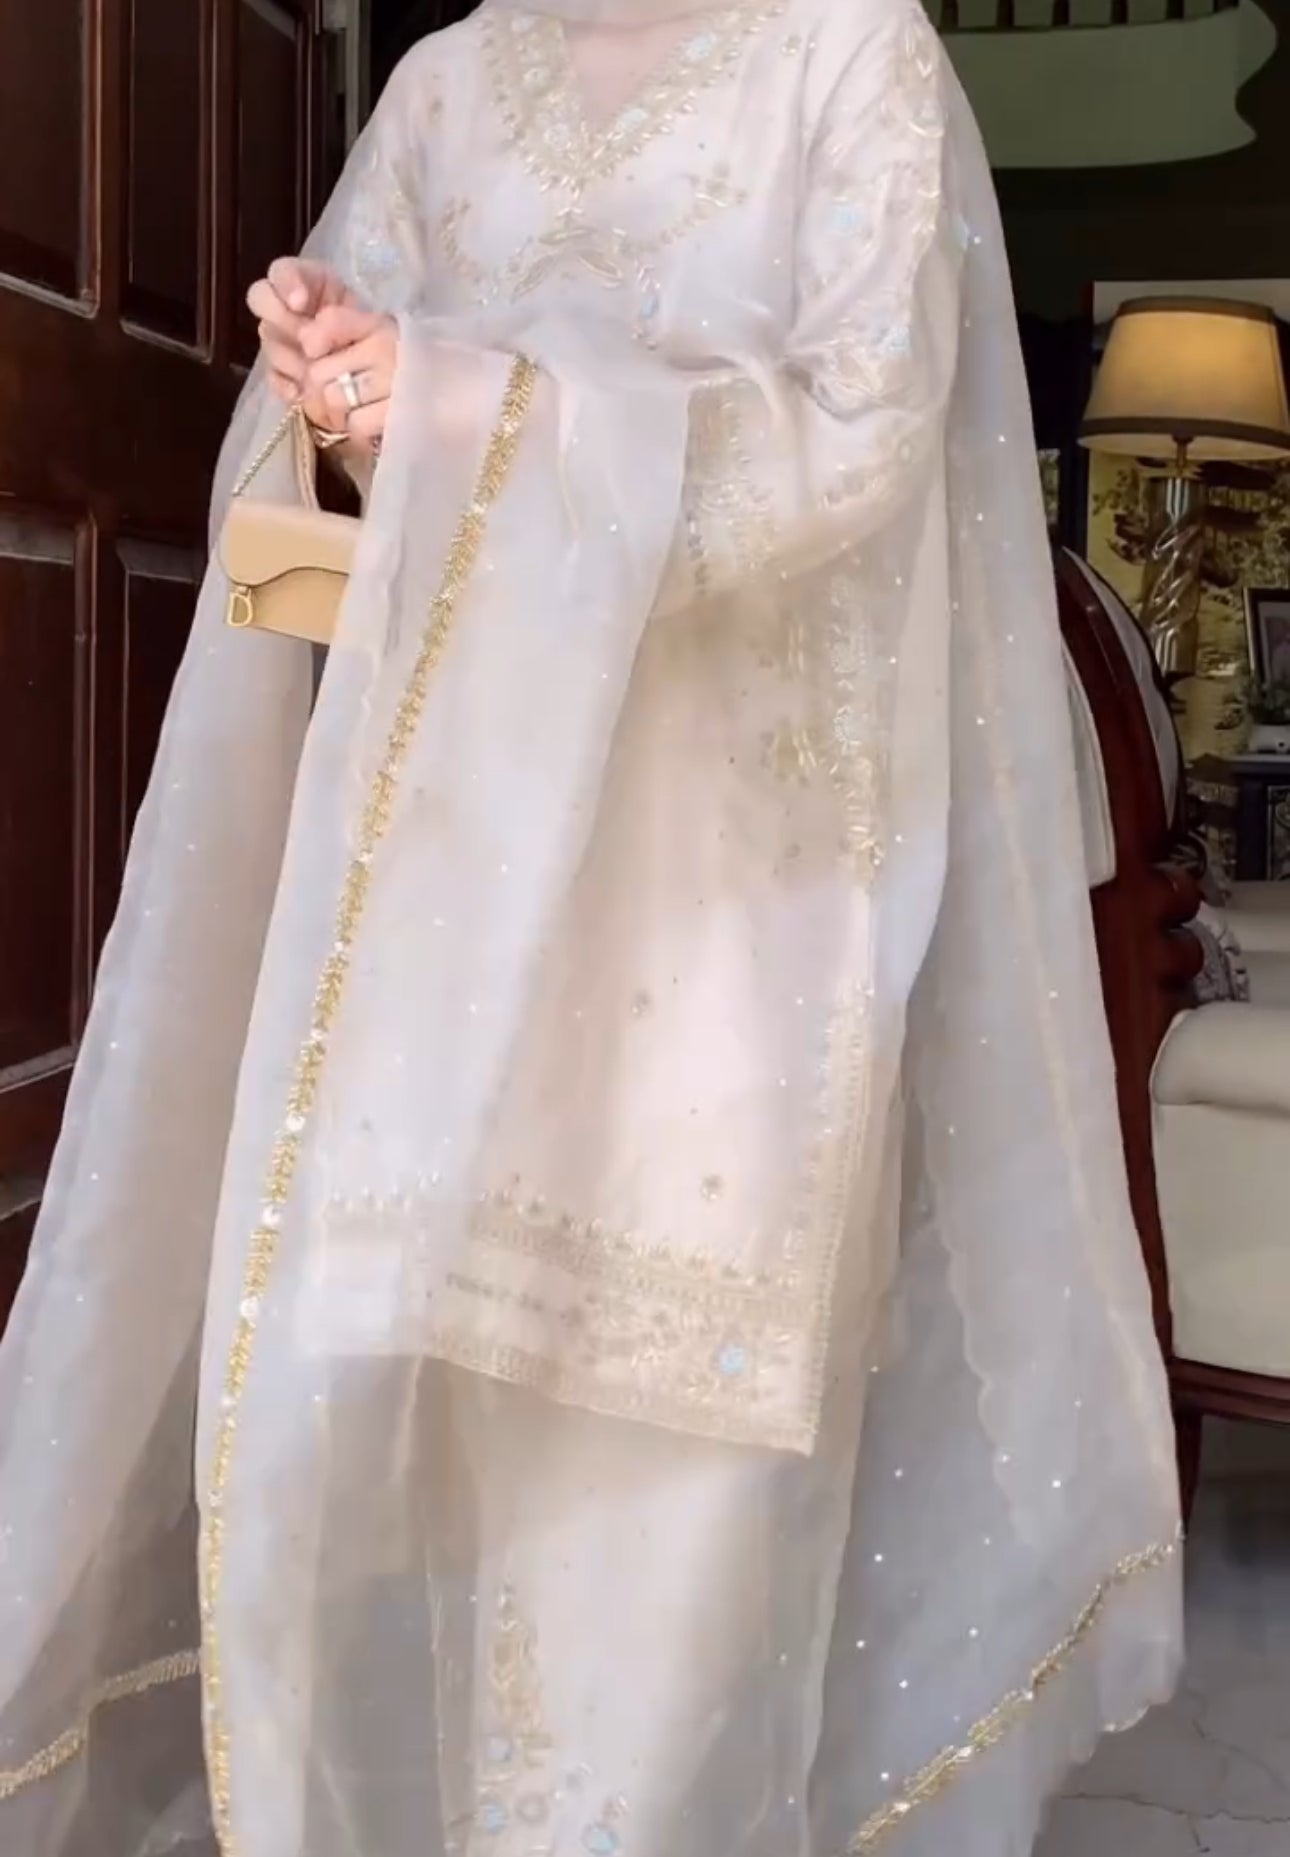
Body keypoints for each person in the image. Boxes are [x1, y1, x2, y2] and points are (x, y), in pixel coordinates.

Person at [0, 1, 1182, 1853]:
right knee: (371, 1453)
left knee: (659, 1498)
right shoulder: (445, 84)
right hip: (440, 902)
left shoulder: (846, 54)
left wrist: (466, 405)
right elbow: (341, 477)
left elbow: (861, 435)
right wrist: (341, 396)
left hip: (726, 912)